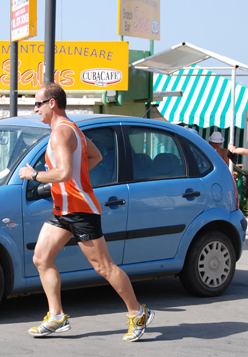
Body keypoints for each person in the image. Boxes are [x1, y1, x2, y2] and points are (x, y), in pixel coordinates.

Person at [18, 82, 154, 342]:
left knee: (103, 266)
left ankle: (137, 313)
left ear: (52, 103)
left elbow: (63, 173)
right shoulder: (72, 130)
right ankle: (56, 316)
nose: (36, 110)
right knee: (41, 258)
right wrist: (74, 179)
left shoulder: (61, 133)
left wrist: (33, 174)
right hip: (63, 209)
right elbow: (95, 157)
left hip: (80, 209)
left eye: (38, 104)